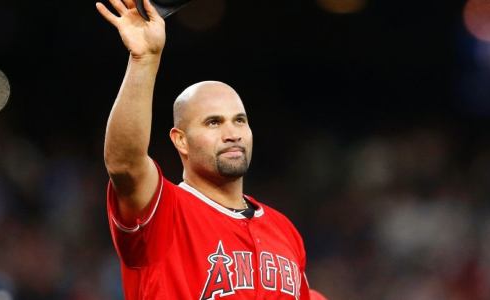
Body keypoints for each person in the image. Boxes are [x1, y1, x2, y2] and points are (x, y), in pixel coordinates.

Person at [96, 0, 322, 299]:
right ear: (181, 140)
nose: (232, 134)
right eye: (213, 123)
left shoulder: (283, 229)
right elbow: (124, 164)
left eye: (239, 121)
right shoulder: (164, 212)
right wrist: (144, 59)